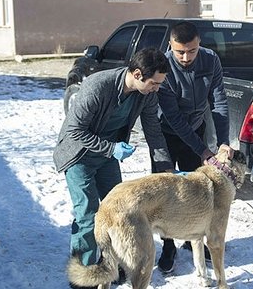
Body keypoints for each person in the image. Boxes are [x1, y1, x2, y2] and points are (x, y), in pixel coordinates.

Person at [53, 47, 173, 289]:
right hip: (79, 155)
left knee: (119, 212)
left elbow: (154, 132)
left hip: (106, 154)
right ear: (137, 74)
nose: (156, 88)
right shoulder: (98, 86)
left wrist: (166, 171)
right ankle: (84, 276)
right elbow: (75, 131)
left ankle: (110, 264)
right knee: (88, 215)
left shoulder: (146, 94)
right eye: (154, 82)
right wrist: (111, 149)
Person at [154, 21, 234, 273]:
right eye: (180, 52)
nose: (186, 57)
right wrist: (203, 150)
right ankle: (168, 247)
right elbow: (175, 119)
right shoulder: (163, 67)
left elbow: (219, 101)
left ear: (199, 44)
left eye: (192, 50)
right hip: (166, 135)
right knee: (164, 192)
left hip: (196, 130)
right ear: (171, 46)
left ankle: (194, 239)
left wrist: (223, 141)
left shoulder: (210, 60)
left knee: (195, 191)